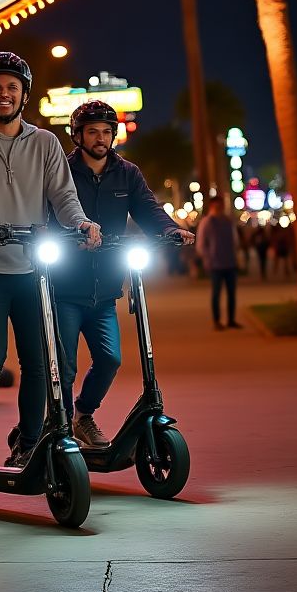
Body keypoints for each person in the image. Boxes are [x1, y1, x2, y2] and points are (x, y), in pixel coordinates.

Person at [0, 52, 100, 468]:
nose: (4, 94)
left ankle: (29, 442)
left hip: (31, 267)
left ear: (24, 94)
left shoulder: (45, 143)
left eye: (13, 87)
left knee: (36, 360)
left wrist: (82, 224)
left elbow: (64, 196)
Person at [49, 100, 195, 448]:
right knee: (64, 366)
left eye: (106, 132)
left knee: (110, 359)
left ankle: (82, 415)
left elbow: (148, 208)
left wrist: (172, 230)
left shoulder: (127, 173)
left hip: (106, 288)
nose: (100, 138)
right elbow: (48, 212)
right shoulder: (61, 172)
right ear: (77, 135)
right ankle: (60, 430)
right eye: (92, 132)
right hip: (65, 287)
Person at [196, 195, 241, 330]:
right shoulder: (207, 222)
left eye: (221, 205)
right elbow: (201, 243)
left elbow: (234, 240)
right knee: (216, 293)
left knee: (231, 293)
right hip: (215, 264)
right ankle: (216, 321)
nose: (220, 208)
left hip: (230, 262)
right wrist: (207, 258)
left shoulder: (228, 221)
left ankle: (231, 320)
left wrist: (237, 256)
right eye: (217, 205)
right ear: (212, 206)